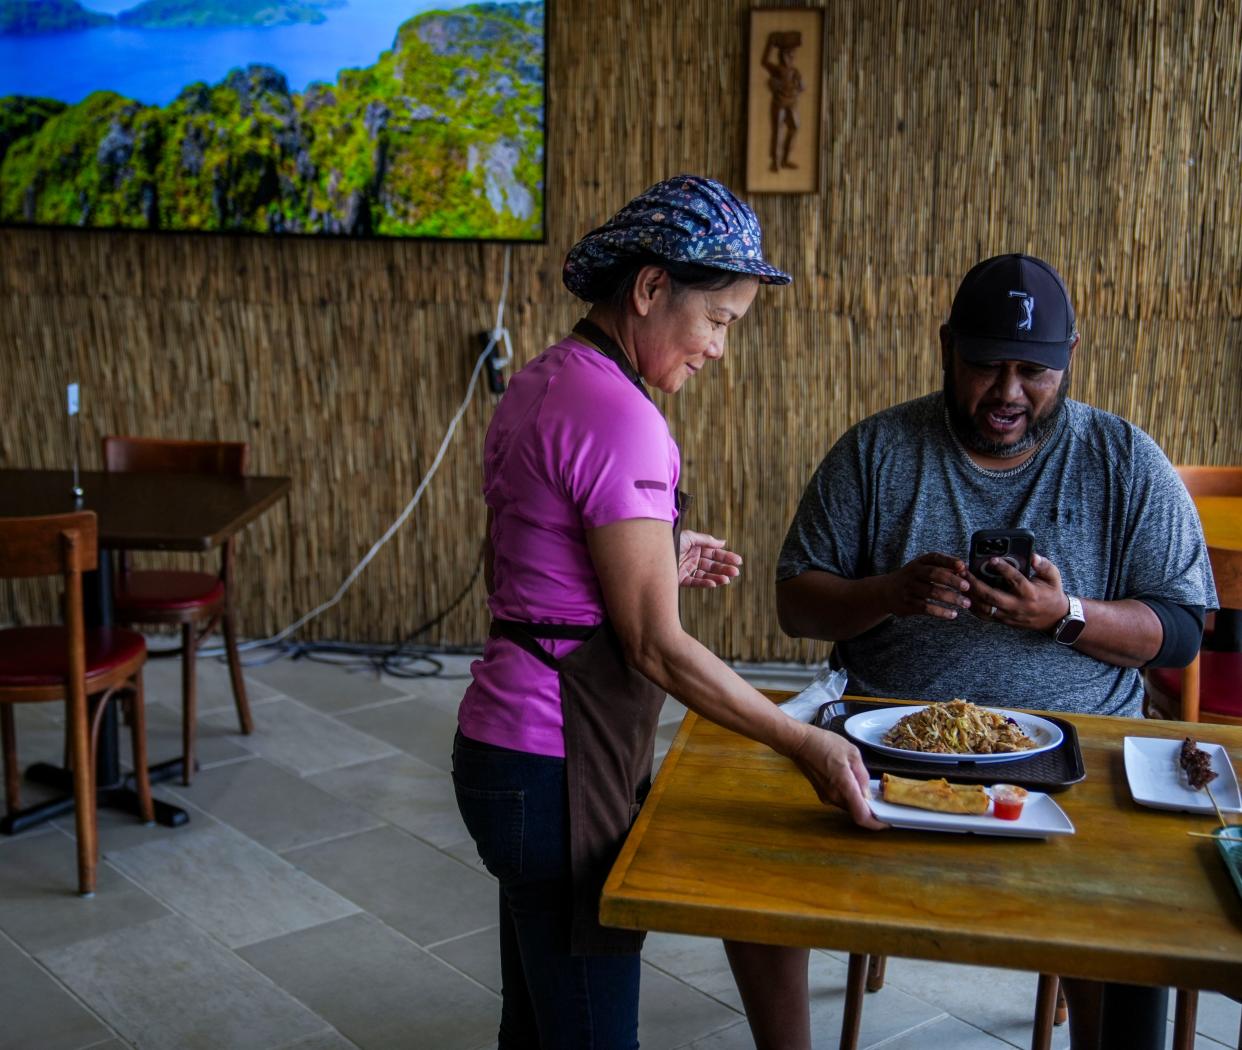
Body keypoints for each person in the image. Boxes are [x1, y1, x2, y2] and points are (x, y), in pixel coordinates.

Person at [451, 174, 883, 1050]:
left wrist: (653, 558)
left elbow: (531, 561)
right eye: (718, 320)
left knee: (534, 1023)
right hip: (555, 763)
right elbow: (655, 647)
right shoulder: (624, 417)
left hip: (502, 747)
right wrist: (802, 742)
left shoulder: (542, 380)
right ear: (650, 289)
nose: (720, 349)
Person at [775, 252, 1217, 1049]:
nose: (1008, 393)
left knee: (1129, 930)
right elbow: (794, 603)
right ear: (946, 347)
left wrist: (1065, 614)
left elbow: (1182, 628)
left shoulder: (1122, 460)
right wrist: (887, 592)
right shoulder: (878, 451)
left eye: (1033, 371)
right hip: (892, 752)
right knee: (751, 883)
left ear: (1070, 357)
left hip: (1077, 759)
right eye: (984, 365)